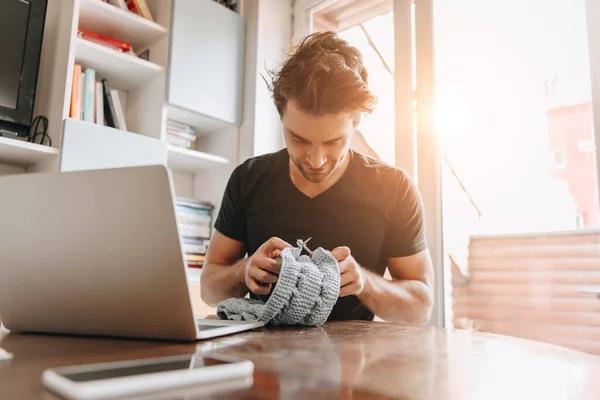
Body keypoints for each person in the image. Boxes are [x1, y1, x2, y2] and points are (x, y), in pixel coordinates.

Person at [200, 31, 434, 324]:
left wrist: (365, 282)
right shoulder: (247, 179)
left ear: (356, 123)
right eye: (299, 139)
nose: (316, 160)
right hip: (260, 358)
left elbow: (421, 308)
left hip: (352, 364)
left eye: (334, 142)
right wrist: (244, 271)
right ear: (282, 118)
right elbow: (209, 290)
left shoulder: (395, 189)